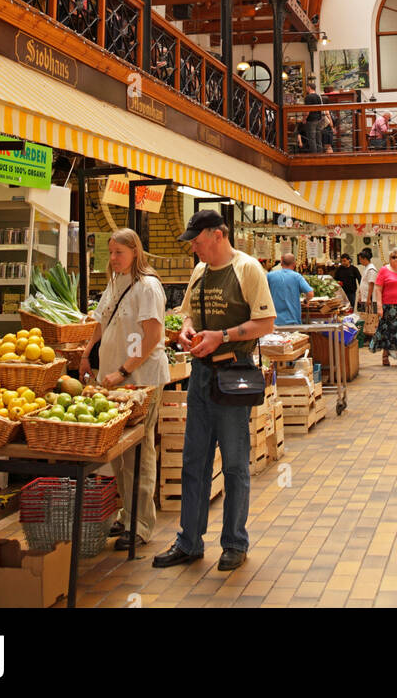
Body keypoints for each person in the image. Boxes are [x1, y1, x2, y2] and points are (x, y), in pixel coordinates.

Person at [152, 210, 276, 573]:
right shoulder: (199, 271)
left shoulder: (249, 268)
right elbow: (188, 312)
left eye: (198, 240)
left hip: (233, 376)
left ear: (218, 234)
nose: (194, 247)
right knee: (194, 460)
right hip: (201, 376)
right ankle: (189, 541)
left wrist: (221, 336)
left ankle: (234, 542)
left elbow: (266, 323)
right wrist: (187, 330)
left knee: (235, 463)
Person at [80, 229, 169, 551]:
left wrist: (123, 370)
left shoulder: (147, 287)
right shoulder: (114, 283)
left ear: (135, 251)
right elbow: (101, 321)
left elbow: (153, 336)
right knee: (118, 454)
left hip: (140, 380)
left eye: (119, 252)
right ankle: (126, 513)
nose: (114, 258)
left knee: (139, 452)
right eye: (111, 252)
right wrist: (87, 352)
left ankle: (141, 524)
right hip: (112, 379)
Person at [369, 248, 397, 367]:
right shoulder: (383, 270)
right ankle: (385, 355)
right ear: (389, 258)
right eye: (393, 257)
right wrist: (379, 306)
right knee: (388, 331)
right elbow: (378, 289)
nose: (395, 259)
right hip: (389, 306)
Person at [267, 252, 313, 326]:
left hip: (274, 321)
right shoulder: (297, 277)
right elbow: (310, 293)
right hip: (293, 321)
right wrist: (306, 300)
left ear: (281, 263)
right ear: (294, 264)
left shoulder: (270, 276)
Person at [304, 85, 323, 152]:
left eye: (306, 87)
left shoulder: (308, 97)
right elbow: (320, 108)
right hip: (318, 119)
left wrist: (304, 119)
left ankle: (314, 155)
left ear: (309, 87)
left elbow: (307, 110)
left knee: (312, 138)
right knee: (318, 137)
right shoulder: (318, 96)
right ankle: (320, 153)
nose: (306, 89)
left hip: (311, 120)